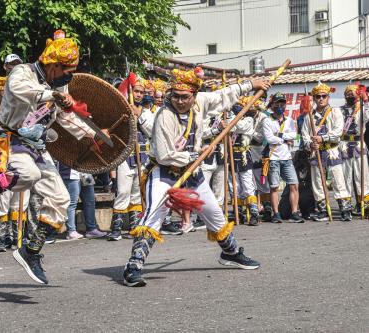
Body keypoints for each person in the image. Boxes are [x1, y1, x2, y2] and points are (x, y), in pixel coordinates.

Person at [122, 68, 269, 287]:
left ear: (193, 95)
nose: (180, 101)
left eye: (185, 97)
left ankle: (231, 253)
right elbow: (164, 156)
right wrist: (195, 154)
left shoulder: (201, 100)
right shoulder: (164, 116)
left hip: (194, 172)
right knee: (154, 214)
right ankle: (133, 266)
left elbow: (224, 95)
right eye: (175, 96)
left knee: (214, 213)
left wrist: (252, 84)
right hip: (164, 172)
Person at [0, 30, 101, 284]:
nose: (69, 75)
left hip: (38, 145)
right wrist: (51, 95)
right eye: (66, 70)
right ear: (53, 65)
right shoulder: (23, 72)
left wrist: (91, 135)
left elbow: (65, 116)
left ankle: (30, 251)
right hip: (11, 140)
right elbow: (19, 88)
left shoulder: (59, 84)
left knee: (61, 199)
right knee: (28, 174)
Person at [108, 78, 154, 241]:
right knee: (123, 192)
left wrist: (139, 115)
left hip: (142, 157)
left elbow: (152, 131)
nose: (139, 94)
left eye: (142, 92)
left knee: (136, 193)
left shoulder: (146, 111)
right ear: (130, 92)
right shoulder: (119, 109)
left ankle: (134, 226)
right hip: (125, 157)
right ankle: (116, 228)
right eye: (136, 91)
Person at [301, 83, 351, 222]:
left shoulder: (335, 112)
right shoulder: (309, 116)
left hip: (332, 150)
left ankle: (345, 210)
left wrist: (322, 138)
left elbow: (338, 132)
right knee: (318, 182)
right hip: (316, 153)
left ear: (328, 97)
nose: (321, 99)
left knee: (338, 180)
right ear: (314, 98)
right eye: (318, 96)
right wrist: (310, 144)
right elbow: (305, 135)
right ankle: (322, 210)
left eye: (324, 96)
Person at [262, 93, 303, 223]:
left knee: (294, 184)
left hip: (287, 158)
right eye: (277, 104)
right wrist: (285, 139)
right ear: (272, 105)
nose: (280, 106)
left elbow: (294, 135)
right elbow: (269, 139)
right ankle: (276, 213)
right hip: (273, 158)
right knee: (274, 187)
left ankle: (294, 212)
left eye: (282, 104)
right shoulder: (267, 121)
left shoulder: (290, 120)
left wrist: (279, 136)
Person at [339, 84, 369, 216]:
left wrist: (366, 101)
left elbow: (368, 117)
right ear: (345, 95)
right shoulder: (339, 110)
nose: (351, 95)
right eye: (348, 93)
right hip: (345, 144)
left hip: (358, 143)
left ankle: (365, 205)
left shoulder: (361, 108)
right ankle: (347, 206)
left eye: (353, 93)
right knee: (346, 177)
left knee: (362, 176)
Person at [229, 97, 260, 226]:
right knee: (234, 186)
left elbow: (239, 127)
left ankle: (254, 213)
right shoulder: (228, 117)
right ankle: (239, 212)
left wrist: (231, 121)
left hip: (243, 155)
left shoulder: (248, 119)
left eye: (239, 105)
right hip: (230, 155)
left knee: (247, 185)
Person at [58, 164, 107, 240]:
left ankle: (91, 229)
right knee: (72, 203)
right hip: (70, 172)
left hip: (86, 172)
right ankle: (71, 231)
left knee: (90, 201)